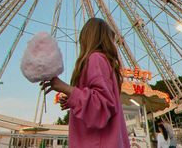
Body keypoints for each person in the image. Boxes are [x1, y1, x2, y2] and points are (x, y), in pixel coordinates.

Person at [41, 17, 130, 148]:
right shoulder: (104, 62)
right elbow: (100, 101)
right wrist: (74, 99)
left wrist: (64, 87)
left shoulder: (96, 59)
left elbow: (101, 106)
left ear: (86, 37)